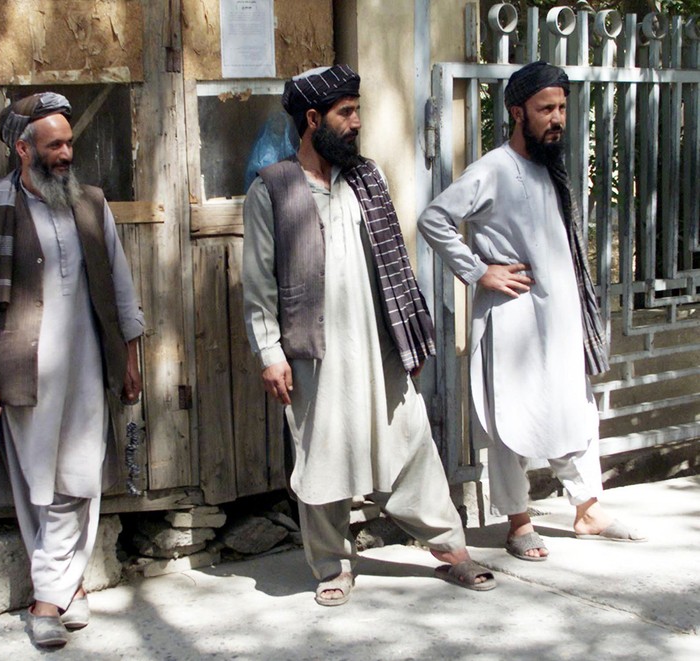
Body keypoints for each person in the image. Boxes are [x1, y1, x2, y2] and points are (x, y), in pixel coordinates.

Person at [242, 65, 495, 606]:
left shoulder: (366, 179)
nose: (357, 122)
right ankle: (332, 565)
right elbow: (259, 283)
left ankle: (452, 550)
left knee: (411, 440)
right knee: (321, 454)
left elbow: (396, 263)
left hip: (380, 345)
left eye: (357, 110)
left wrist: (412, 334)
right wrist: (269, 353)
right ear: (313, 119)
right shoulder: (272, 190)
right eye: (346, 112)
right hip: (314, 351)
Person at [417, 61, 646, 562]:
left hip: (560, 318)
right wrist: (479, 271)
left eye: (562, 107)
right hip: (512, 319)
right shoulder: (493, 169)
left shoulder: (551, 168)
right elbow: (434, 218)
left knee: (574, 409)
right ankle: (518, 522)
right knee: (510, 420)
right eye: (546, 109)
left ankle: (587, 509)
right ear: (518, 112)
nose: (557, 118)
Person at [0, 92, 144, 647]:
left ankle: (44, 603)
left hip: (87, 364)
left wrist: (130, 357)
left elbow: (121, 284)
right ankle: (68, 587)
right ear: (22, 149)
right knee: (37, 482)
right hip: (22, 367)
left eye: (69, 143)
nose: (66, 154)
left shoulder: (90, 202)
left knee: (76, 478)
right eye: (54, 145)